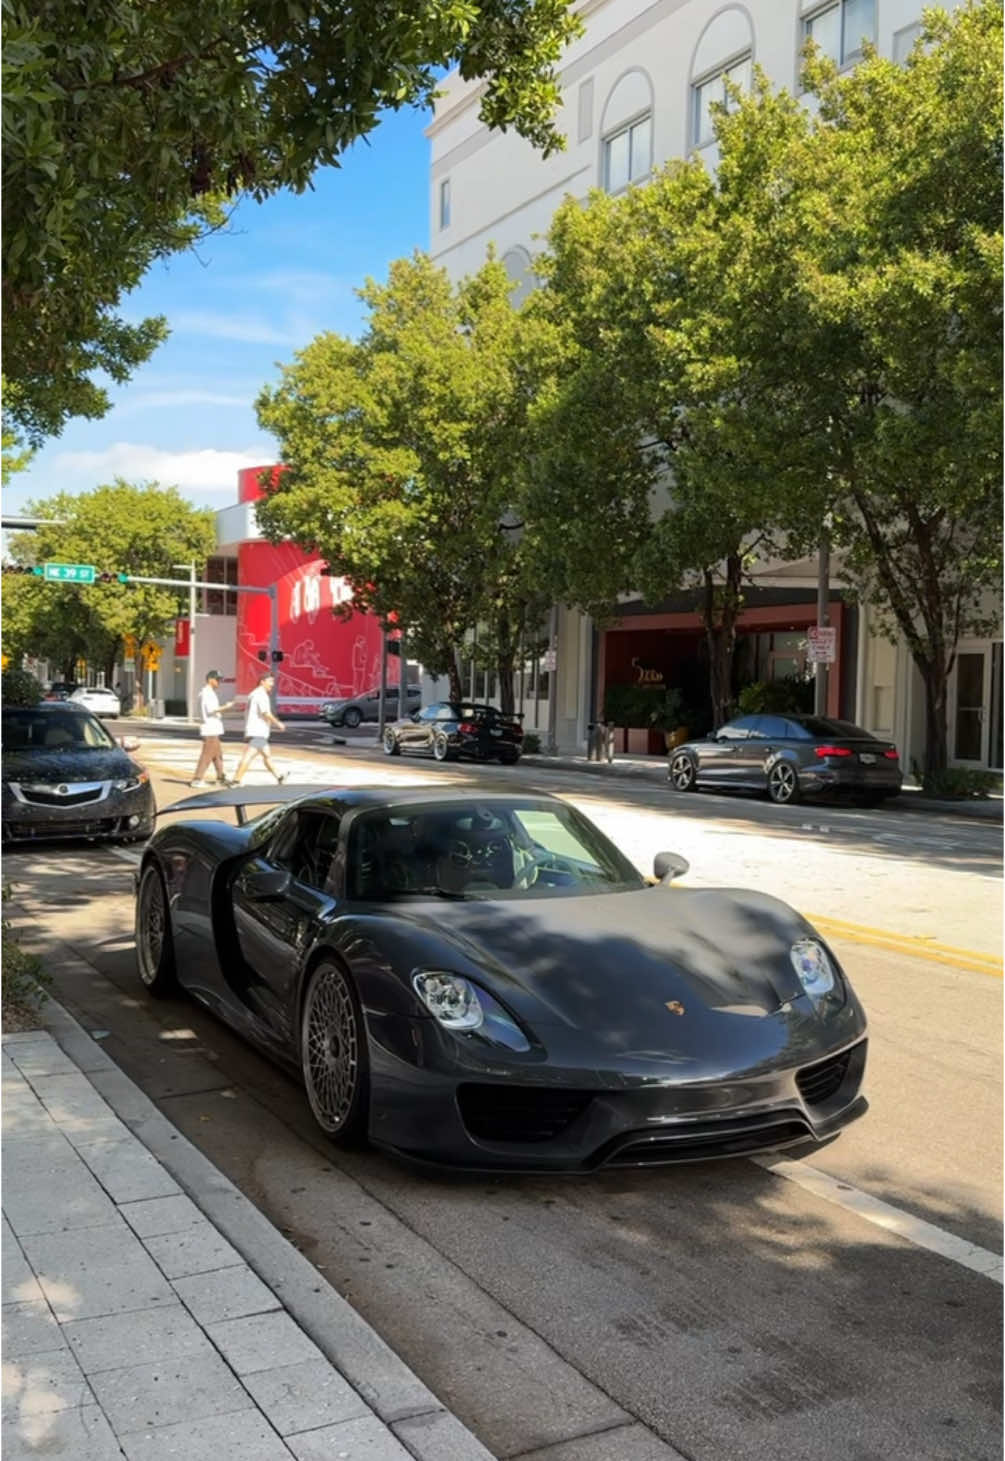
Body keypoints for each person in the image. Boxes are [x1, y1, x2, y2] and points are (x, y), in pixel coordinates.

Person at [231, 672, 286, 785]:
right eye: (270, 681)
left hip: (256, 731)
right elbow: (265, 713)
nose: (272, 684)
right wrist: (278, 723)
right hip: (258, 731)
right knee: (249, 756)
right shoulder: (261, 695)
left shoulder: (254, 694)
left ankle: (279, 777)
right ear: (262, 682)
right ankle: (236, 780)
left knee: (267, 756)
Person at [190, 670, 237, 788]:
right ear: (210, 679)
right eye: (217, 680)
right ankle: (197, 779)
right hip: (209, 728)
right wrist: (227, 706)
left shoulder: (209, 692)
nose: (219, 682)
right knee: (207, 754)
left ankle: (221, 777)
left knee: (217, 755)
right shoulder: (206, 693)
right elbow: (211, 710)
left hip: (214, 728)